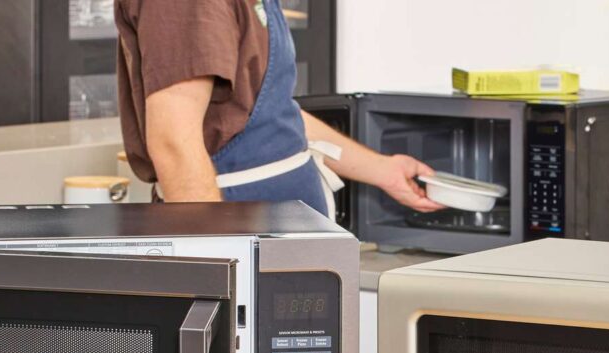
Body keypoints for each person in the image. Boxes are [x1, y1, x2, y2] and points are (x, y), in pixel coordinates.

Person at [114, 0, 444, 216]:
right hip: (243, 236)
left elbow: (266, 114)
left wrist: (382, 170)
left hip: (278, 240)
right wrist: (220, 276)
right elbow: (174, 143)